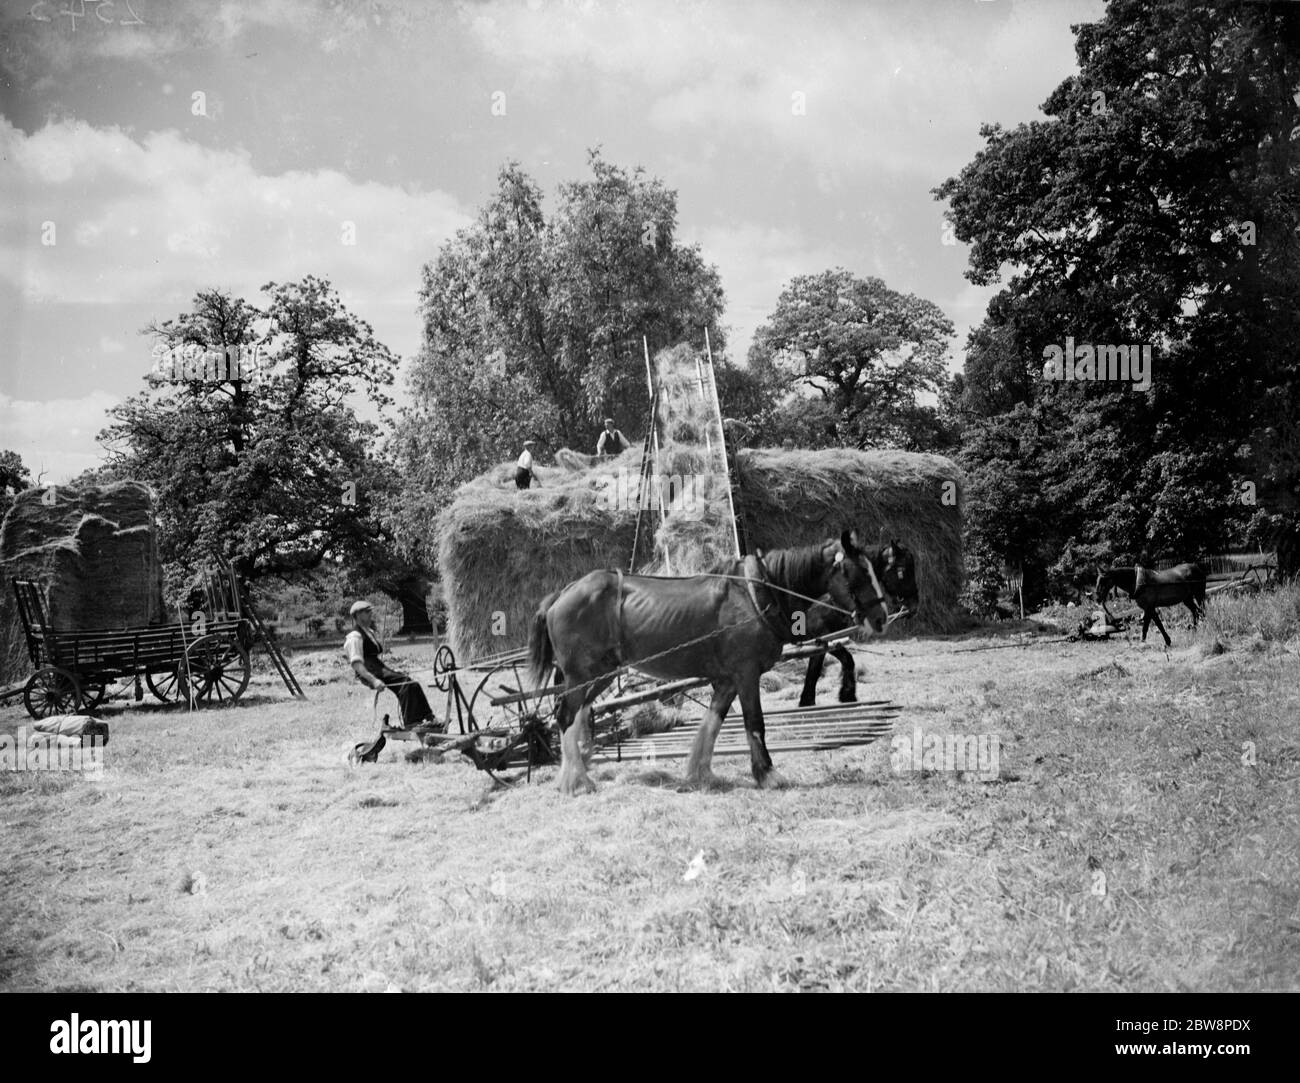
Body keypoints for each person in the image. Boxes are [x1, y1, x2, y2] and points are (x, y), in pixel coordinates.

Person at [343, 600, 437, 731]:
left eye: (370, 611)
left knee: (413, 684)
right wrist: (374, 681)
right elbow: (357, 665)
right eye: (367, 612)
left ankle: (429, 718)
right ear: (358, 615)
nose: (371, 614)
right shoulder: (355, 636)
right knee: (405, 684)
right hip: (370, 672)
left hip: (378, 667)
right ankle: (411, 723)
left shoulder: (368, 632)